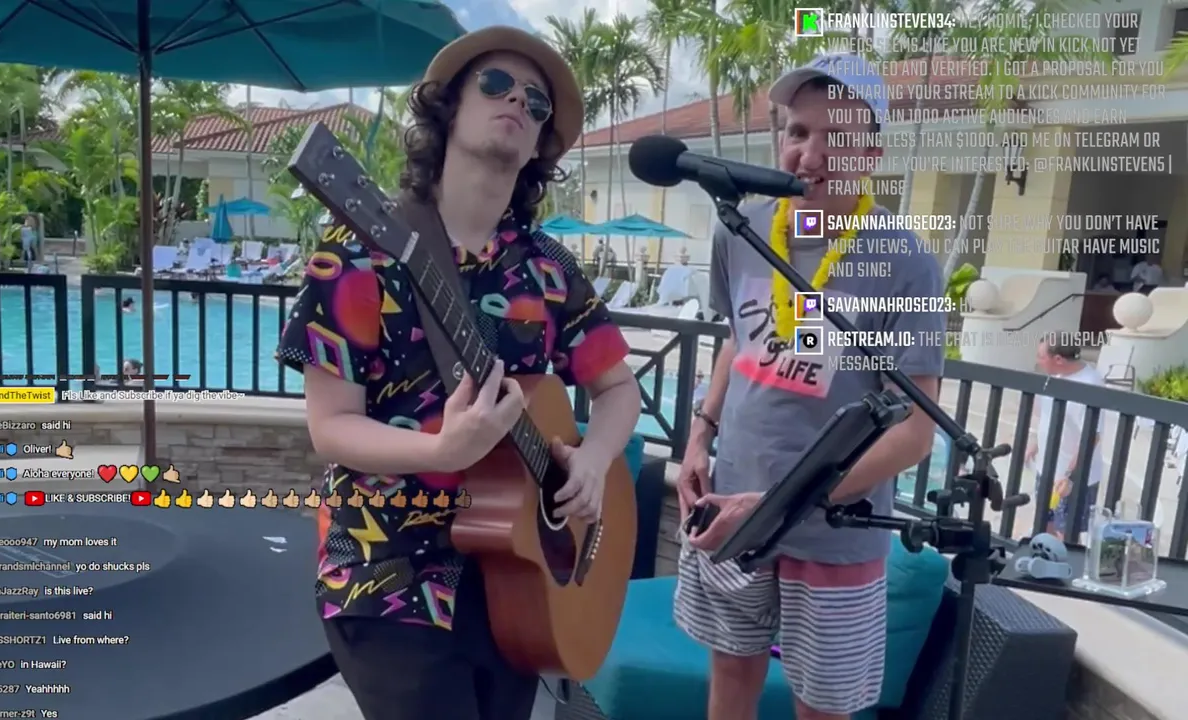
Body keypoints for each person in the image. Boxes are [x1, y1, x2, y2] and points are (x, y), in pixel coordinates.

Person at [277, 25, 640, 720]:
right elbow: (330, 428)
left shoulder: (549, 268)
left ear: (540, 146)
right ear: (448, 107)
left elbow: (619, 388)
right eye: (496, 84)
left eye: (537, 102)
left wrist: (594, 459)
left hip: (519, 577)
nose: (518, 102)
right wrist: (441, 450)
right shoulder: (355, 256)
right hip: (387, 570)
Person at [672, 54, 944, 720]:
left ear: (872, 154)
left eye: (838, 137)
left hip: (835, 530)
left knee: (823, 706)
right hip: (730, 505)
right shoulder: (741, 230)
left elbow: (915, 432)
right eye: (798, 131)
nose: (811, 154)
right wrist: (700, 437)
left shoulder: (905, 261)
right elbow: (738, 339)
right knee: (730, 674)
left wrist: (785, 501)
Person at [1026, 338, 1105, 539]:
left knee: (1067, 533)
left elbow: (1091, 436)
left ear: (1059, 359)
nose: (1038, 361)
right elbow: (1046, 414)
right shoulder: (1055, 376)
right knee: (1045, 522)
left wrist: (1070, 474)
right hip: (1047, 468)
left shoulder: (1089, 385)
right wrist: (1035, 443)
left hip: (1071, 476)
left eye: (1041, 356)